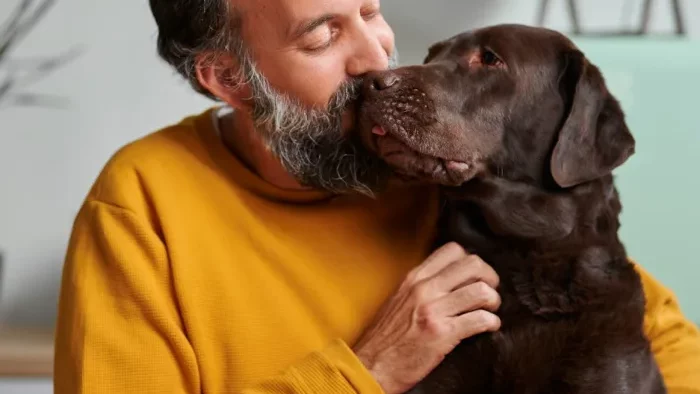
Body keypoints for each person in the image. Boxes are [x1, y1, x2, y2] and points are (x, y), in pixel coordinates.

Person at [53, 0, 700, 393]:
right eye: (321, 36)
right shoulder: (144, 202)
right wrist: (366, 372)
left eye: (371, 14)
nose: (377, 61)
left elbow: (654, 344)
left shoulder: (442, 169)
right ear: (228, 78)